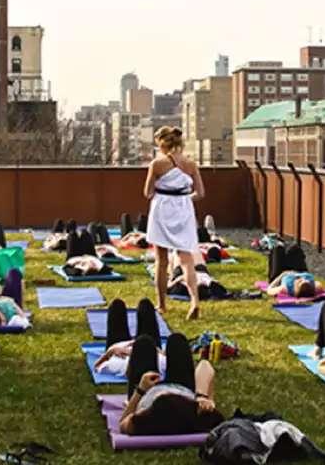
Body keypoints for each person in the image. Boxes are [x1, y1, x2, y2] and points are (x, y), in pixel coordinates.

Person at [144, 126, 205, 320]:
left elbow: (147, 192)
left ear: (162, 145)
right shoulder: (191, 164)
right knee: (186, 259)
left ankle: (162, 304)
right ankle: (194, 300)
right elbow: (201, 193)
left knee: (161, 260)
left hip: (162, 209)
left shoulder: (157, 164)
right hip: (183, 210)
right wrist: (184, 199)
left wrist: (164, 196)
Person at [119, 333, 224, 436]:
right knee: (177, 339)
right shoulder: (193, 412)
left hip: (147, 389)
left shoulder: (147, 419)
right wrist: (202, 396)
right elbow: (205, 365)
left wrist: (140, 391)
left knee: (143, 343)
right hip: (182, 386)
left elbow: (123, 423)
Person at [93, 298, 164, 376]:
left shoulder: (117, 364)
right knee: (145, 304)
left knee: (116, 305)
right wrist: (157, 350)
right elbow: (170, 359)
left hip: (118, 345)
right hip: (150, 344)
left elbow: (97, 366)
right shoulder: (160, 363)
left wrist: (111, 351)